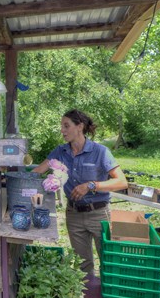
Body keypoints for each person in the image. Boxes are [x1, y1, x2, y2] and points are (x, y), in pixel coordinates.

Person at [31, 110, 128, 283]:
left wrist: (92, 185)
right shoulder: (60, 152)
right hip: (74, 215)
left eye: (66, 126)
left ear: (80, 127)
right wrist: (8, 175)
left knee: (109, 261)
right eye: (61, 126)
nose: (62, 130)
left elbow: (121, 182)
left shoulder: (100, 152)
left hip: (98, 214)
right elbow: (37, 171)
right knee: (83, 265)